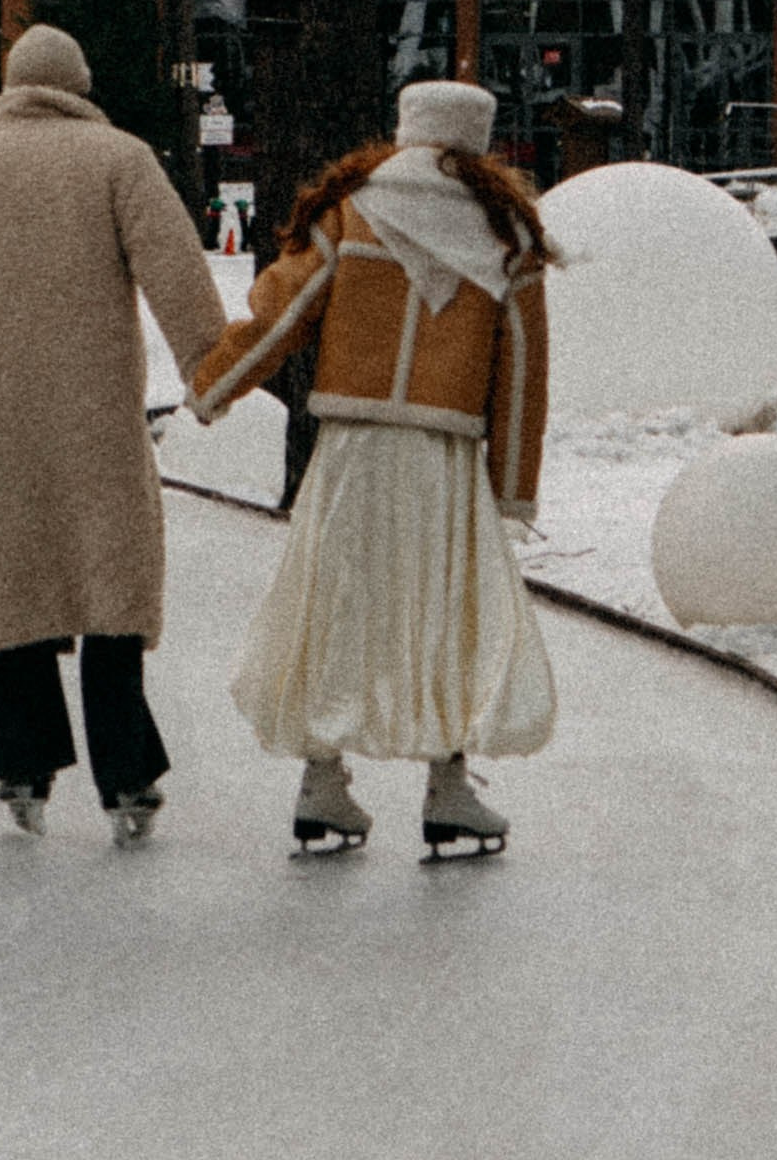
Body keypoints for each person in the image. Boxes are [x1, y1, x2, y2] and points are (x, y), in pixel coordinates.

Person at [186, 77, 557, 857]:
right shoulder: (506, 235)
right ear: (475, 140)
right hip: (443, 454)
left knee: (333, 604)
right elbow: (522, 371)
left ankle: (322, 780)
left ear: (405, 127)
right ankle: (447, 786)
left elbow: (279, 313)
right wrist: (513, 488)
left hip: (352, 446)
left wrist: (213, 385)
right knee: (445, 612)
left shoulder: (350, 210)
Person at [0, 19, 227, 843]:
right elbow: (177, 271)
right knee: (110, 584)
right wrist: (211, 370)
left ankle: (21, 767)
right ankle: (128, 779)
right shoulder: (119, 158)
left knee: (13, 585)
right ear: (79, 87)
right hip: (95, 416)